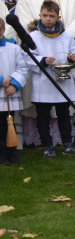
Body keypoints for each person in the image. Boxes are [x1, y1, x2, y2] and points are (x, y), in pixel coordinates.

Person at [27, 0, 75, 158]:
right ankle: (47, 145)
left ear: (58, 17)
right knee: (43, 116)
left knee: (64, 114)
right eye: (44, 15)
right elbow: (28, 58)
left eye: (51, 16)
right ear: (40, 16)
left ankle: (67, 143)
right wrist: (43, 60)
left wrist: (72, 58)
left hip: (62, 81)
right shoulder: (34, 37)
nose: (48, 19)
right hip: (43, 81)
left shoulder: (67, 35)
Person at [0, 16, 28, 165]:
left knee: (9, 124)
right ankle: (1, 154)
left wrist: (14, 84)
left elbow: (23, 68)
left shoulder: (14, 48)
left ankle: (11, 151)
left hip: (10, 93)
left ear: (3, 30)